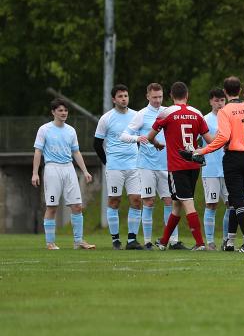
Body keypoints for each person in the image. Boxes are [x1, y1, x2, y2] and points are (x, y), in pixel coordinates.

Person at [193, 77, 244, 252]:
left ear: (225, 92)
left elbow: (223, 137)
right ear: (238, 90)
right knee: (237, 199)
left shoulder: (225, 110)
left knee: (237, 199)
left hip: (233, 158)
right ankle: (230, 241)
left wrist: (202, 151)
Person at [147, 82, 214, 250]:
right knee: (177, 204)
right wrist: (202, 150)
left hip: (177, 166)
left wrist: (156, 143)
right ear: (187, 95)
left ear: (171, 96)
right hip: (194, 165)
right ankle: (163, 242)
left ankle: (199, 243)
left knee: (187, 203)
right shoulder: (197, 113)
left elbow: (150, 136)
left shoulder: (166, 113)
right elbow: (210, 142)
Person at [121, 83, 179, 248]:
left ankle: (172, 240)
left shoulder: (169, 111)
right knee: (149, 201)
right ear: (148, 97)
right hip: (146, 165)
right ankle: (147, 241)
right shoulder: (141, 114)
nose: (157, 100)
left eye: (160, 97)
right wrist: (137, 139)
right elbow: (124, 135)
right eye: (154, 97)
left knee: (170, 201)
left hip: (166, 165)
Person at [31, 98, 95, 250]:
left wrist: (85, 171)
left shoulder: (71, 130)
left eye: (65, 110)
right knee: (52, 206)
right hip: (52, 169)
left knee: (77, 206)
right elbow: (38, 151)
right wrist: (35, 173)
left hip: (69, 169)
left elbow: (76, 152)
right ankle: (50, 243)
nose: (63, 113)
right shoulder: (44, 129)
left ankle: (78, 241)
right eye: (60, 110)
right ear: (53, 112)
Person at [94, 84, 141, 250]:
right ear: (114, 99)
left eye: (126, 96)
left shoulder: (136, 116)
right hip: (115, 166)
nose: (124, 99)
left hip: (133, 166)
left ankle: (132, 240)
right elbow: (97, 144)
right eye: (120, 96)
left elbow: (140, 139)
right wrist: (108, 161)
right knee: (114, 200)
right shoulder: (106, 118)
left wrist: (137, 155)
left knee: (136, 200)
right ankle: (115, 239)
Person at [200, 88, 228, 249]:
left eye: (222, 100)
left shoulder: (230, 118)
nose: (219, 103)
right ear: (211, 101)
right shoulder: (204, 120)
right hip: (211, 169)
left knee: (231, 205)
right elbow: (194, 141)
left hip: (228, 169)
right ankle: (210, 241)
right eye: (216, 100)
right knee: (211, 204)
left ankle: (226, 239)